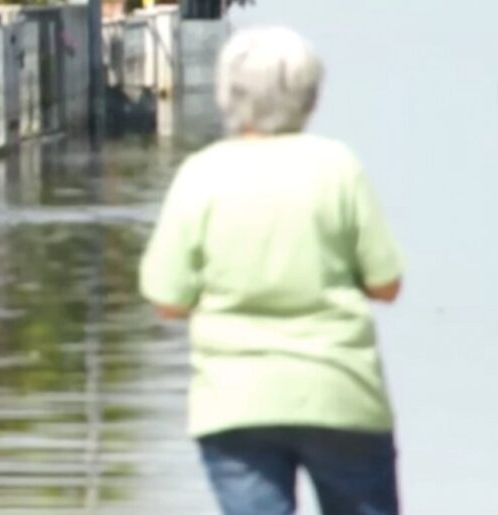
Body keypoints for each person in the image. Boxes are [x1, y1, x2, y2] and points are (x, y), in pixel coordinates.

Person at [139, 26, 404, 515]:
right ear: (311, 93)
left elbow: (167, 297)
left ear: (227, 93)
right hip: (340, 393)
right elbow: (386, 284)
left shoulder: (202, 174)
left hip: (234, 401)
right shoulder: (338, 169)